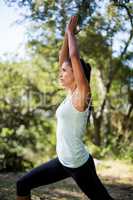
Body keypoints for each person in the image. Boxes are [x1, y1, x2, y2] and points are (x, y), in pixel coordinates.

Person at [16, 16, 114, 200]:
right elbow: (64, 58)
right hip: (63, 161)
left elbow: (73, 57)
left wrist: (70, 33)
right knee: (22, 185)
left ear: (76, 75)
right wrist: (65, 37)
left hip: (78, 164)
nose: (60, 74)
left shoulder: (81, 94)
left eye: (64, 71)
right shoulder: (70, 94)